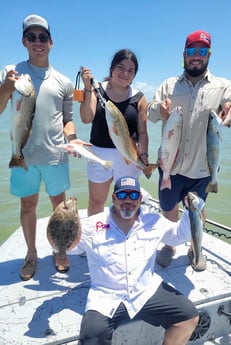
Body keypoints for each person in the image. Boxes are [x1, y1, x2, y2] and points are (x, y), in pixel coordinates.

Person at [147, 30, 231, 268]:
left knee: (198, 210)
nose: (196, 56)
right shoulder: (169, 84)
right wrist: (158, 109)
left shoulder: (223, 86)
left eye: (202, 51)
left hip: (202, 168)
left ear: (209, 55)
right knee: (168, 208)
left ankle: (195, 247)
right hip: (171, 164)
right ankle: (170, 245)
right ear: (184, 55)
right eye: (192, 51)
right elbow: (149, 111)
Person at [0, 14, 86, 280]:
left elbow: (68, 121)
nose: (38, 42)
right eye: (31, 37)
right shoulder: (12, 73)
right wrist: (6, 85)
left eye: (42, 37)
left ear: (51, 42)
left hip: (56, 156)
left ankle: (60, 251)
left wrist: (72, 140)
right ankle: (31, 253)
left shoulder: (63, 82)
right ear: (24, 41)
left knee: (60, 206)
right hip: (23, 156)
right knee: (28, 205)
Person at [77, 175, 200, 345]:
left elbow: (180, 235)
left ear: (140, 199)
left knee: (188, 317)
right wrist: (61, 224)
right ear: (113, 198)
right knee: (91, 336)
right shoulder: (94, 224)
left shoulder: (153, 221)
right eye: (122, 195)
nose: (128, 200)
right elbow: (65, 246)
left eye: (133, 195)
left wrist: (190, 210)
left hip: (145, 291)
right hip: (106, 296)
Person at [79, 49, 149, 217]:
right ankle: (95, 233)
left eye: (130, 71)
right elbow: (86, 118)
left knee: (127, 201)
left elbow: (143, 132)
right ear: (111, 68)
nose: (125, 73)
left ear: (134, 75)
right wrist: (87, 89)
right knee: (96, 201)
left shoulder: (139, 97)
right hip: (99, 154)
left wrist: (144, 155)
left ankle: (124, 233)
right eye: (121, 67)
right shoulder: (96, 90)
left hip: (129, 155)